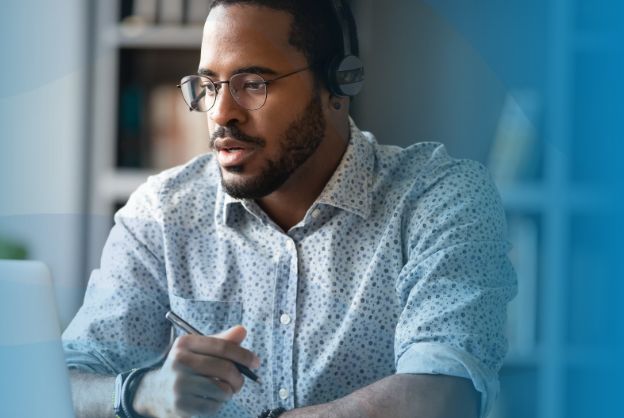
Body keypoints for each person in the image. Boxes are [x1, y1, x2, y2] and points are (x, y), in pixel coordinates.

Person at [62, 1, 516, 417]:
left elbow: (442, 395)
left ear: (340, 82)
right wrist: (141, 391)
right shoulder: (162, 213)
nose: (221, 113)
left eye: (253, 84)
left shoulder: (438, 198)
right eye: (209, 86)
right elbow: (61, 382)